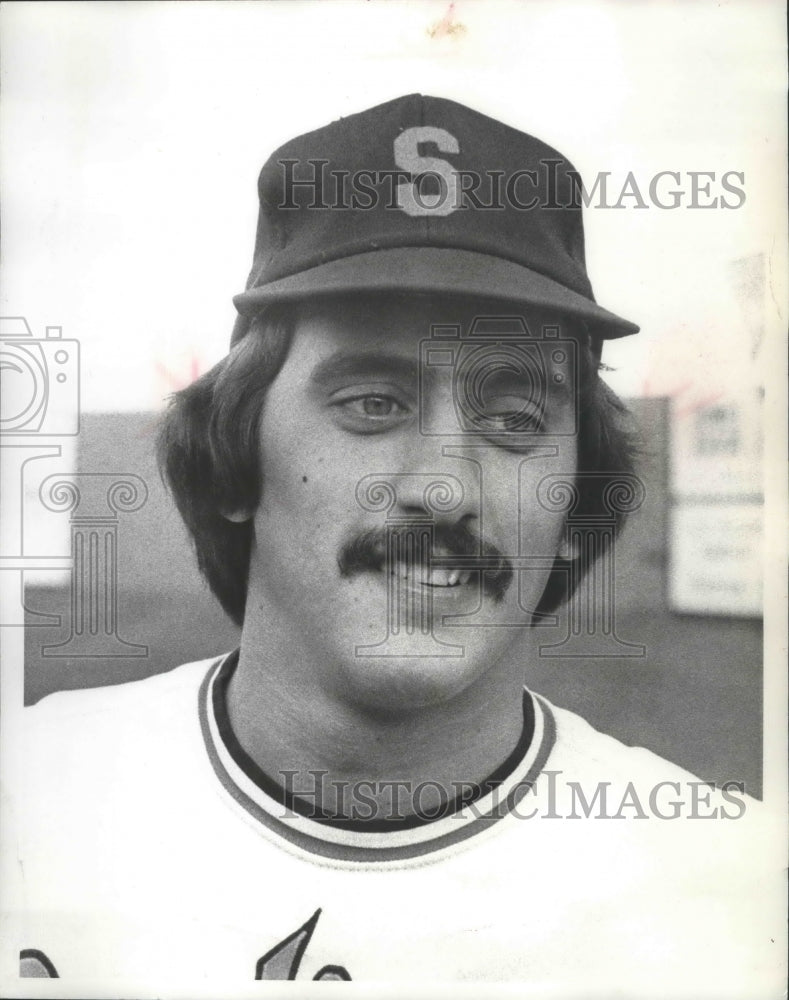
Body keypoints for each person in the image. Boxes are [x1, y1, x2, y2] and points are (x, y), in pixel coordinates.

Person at [15, 95, 778, 994]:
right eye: (372, 403)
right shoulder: (27, 800)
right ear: (232, 461)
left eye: (513, 417)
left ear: (576, 503)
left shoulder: (734, 906)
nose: (445, 488)